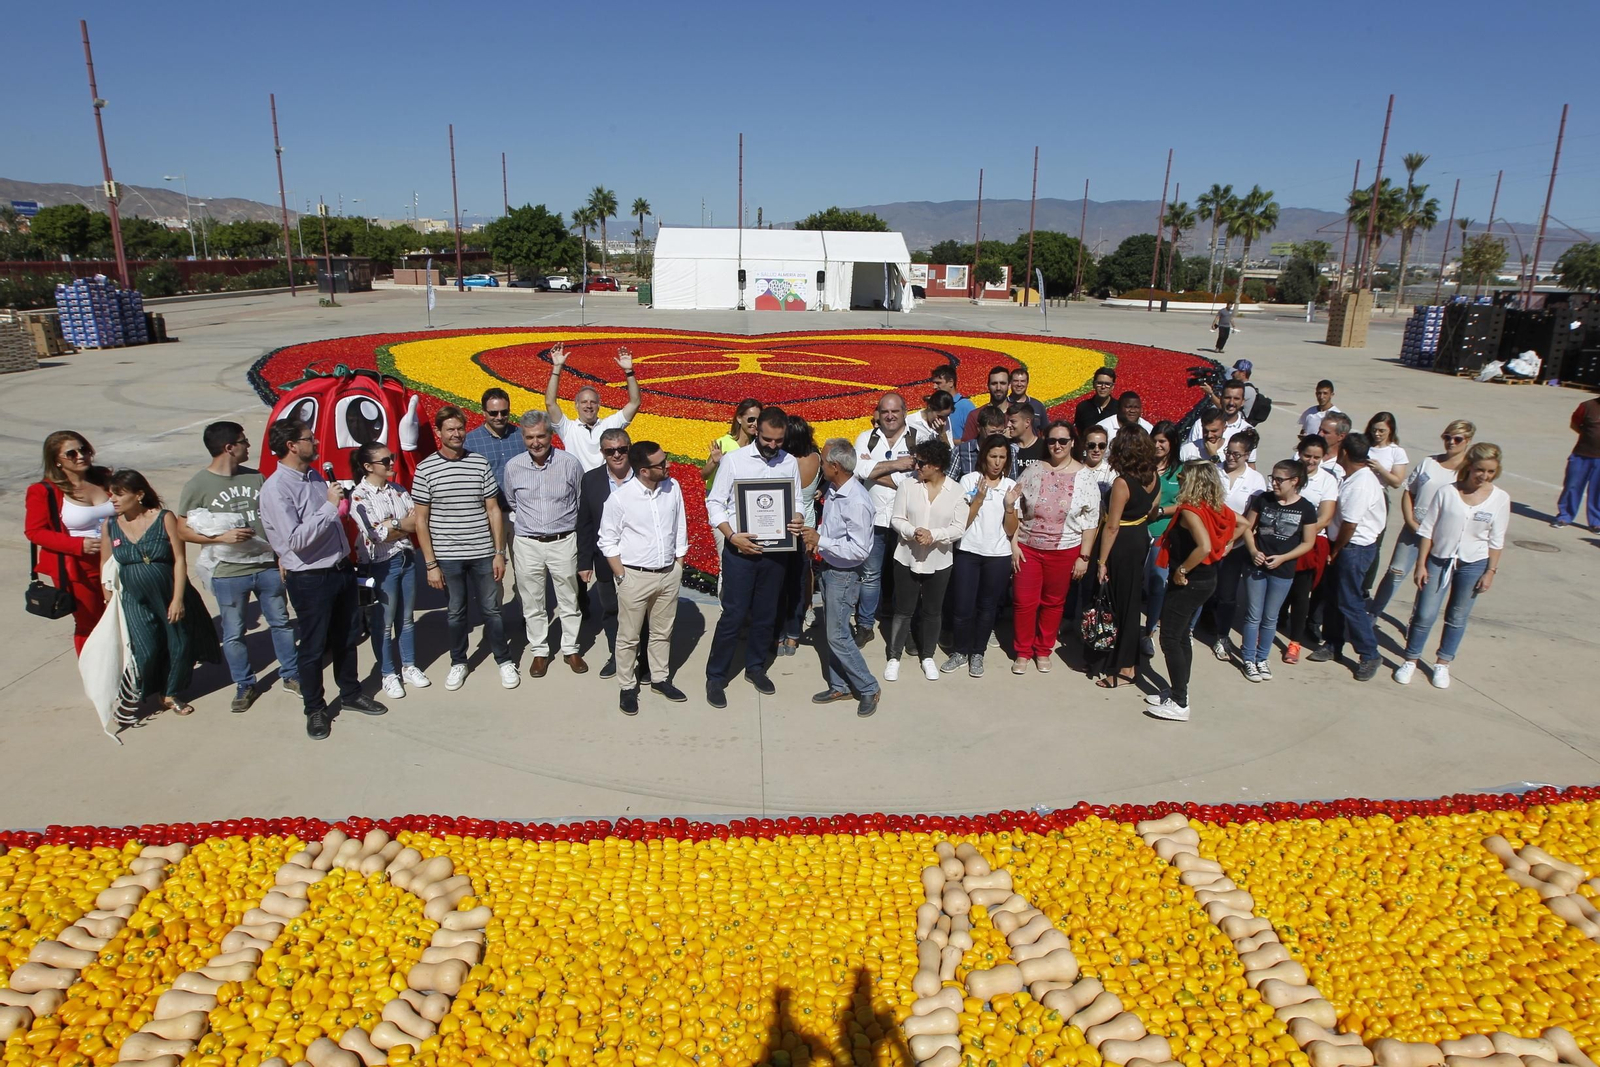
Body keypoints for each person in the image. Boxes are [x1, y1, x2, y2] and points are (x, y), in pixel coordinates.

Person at [259, 418, 388, 739]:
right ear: (292, 446)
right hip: (309, 577)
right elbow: (296, 540)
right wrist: (331, 507)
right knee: (314, 646)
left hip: (339, 569)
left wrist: (340, 507)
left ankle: (350, 693)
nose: (316, 443)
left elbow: (329, 519)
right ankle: (315, 709)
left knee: (347, 637)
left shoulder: (315, 476)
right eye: (310, 439)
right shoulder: (276, 489)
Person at [177, 421, 299, 713]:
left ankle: (291, 674)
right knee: (233, 633)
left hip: (267, 567)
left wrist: (281, 557)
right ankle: (245, 683)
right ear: (229, 448)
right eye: (243, 441)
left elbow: (273, 521)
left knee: (281, 623)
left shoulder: (256, 478)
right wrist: (221, 537)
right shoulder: (198, 485)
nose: (248, 446)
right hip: (228, 574)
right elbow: (182, 530)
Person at [97, 470, 220, 724]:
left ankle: (170, 692)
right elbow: (105, 562)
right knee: (146, 647)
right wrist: (108, 597)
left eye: (119, 494)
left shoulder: (164, 518)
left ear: (139, 494)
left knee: (179, 643)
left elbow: (179, 559)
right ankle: (142, 691)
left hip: (169, 591)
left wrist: (177, 599)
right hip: (133, 597)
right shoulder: (110, 525)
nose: (113, 499)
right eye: (111, 494)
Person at [704, 406, 806, 707]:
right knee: (733, 615)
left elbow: (796, 498)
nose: (773, 446)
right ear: (756, 430)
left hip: (776, 552)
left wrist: (797, 517)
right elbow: (715, 503)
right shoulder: (735, 461)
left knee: (766, 613)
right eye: (767, 439)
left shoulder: (788, 462)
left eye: (779, 440)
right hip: (740, 550)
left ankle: (756, 667)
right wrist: (732, 536)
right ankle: (717, 675)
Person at [412, 405, 517, 692]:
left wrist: (498, 552)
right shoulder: (426, 469)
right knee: (456, 611)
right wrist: (431, 564)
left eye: (459, 428)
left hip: (483, 551)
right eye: (450, 429)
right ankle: (459, 661)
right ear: (439, 432)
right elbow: (420, 520)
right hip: (447, 556)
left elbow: (494, 510)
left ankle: (503, 660)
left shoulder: (478, 463)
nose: (456, 434)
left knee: (492, 609)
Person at [1394, 443, 1509, 689]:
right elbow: (1428, 529)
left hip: (1473, 564)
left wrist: (1490, 571)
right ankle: (1410, 660)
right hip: (1438, 559)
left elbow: (1496, 540)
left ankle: (1442, 663)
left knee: (1457, 617)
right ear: (1469, 467)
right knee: (1425, 614)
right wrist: (1421, 564)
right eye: (1480, 470)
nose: (1484, 476)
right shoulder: (1447, 492)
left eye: (1490, 472)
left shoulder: (1500, 498)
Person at [598, 440, 689, 715]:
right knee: (629, 636)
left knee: (663, 631)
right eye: (661, 463)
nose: (668, 465)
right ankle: (627, 686)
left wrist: (678, 566)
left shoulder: (672, 488)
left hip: (668, 574)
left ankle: (660, 678)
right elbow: (607, 540)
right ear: (644, 471)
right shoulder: (620, 499)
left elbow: (680, 527)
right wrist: (622, 576)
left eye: (666, 459)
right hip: (635, 577)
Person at [1008, 421, 1101, 674]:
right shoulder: (1033, 470)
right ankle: (1023, 651)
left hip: (1065, 550)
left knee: (1053, 602)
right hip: (1028, 548)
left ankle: (1043, 649)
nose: (1057, 446)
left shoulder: (1085, 477)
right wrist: (1014, 543)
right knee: (1024, 601)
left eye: (1063, 440)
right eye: (1052, 441)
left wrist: (1084, 556)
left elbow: (1091, 521)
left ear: (1073, 442)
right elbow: (1014, 507)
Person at [1145, 462, 1235, 722]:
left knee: (1170, 638)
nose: (1180, 481)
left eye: (1183, 478)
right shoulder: (1215, 507)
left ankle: (1179, 703)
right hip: (1207, 580)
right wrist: (1227, 546)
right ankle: (1176, 691)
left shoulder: (1190, 511)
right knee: (1183, 636)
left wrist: (1182, 570)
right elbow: (1239, 524)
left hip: (1189, 582)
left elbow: (1204, 547)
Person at [502, 409, 587, 678]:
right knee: (532, 600)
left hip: (563, 540)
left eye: (541, 436)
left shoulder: (569, 463)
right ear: (523, 438)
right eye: (529, 438)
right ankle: (540, 651)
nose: (536, 442)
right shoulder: (514, 466)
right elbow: (513, 502)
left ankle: (570, 648)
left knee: (569, 598)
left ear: (551, 435)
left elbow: (579, 501)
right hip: (527, 542)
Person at [803, 439, 881, 717]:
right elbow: (834, 530)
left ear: (835, 466)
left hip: (844, 575)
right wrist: (819, 541)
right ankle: (840, 685)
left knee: (837, 636)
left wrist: (820, 540)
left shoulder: (857, 501)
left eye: (823, 462)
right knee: (834, 632)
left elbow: (860, 550)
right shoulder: (836, 491)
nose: (820, 466)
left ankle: (868, 686)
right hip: (830, 570)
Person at [348, 441, 427, 700]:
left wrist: (392, 524)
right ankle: (388, 672)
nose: (391, 463)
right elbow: (376, 535)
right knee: (383, 623)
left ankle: (409, 665)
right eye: (385, 461)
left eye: (391, 458)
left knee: (406, 618)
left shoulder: (398, 489)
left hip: (406, 558)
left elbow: (418, 522)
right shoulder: (359, 496)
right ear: (368, 466)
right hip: (381, 565)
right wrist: (398, 525)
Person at [1373, 420, 1475, 618]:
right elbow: (1409, 492)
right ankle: (1372, 614)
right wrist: (1410, 521)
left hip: (1441, 535)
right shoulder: (1429, 462)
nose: (1451, 442)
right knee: (1395, 572)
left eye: (1457, 439)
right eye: (1447, 437)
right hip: (1414, 528)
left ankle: (1416, 620)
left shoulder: (1467, 472)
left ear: (1468, 441)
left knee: (1426, 580)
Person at [883, 438, 965, 682]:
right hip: (906, 556)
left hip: (939, 561)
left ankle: (928, 656)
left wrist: (934, 536)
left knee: (932, 611)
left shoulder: (956, 491)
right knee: (903, 610)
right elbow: (896, 519)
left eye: (921, 463)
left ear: (937, 465)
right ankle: (894, 657)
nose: (916, 467)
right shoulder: (908, 486)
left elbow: (958, 528)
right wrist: (913, 532)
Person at [26, 431, 113, 655]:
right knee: (90, 622)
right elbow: (35, 531)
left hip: (117, 558)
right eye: (71, 453)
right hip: (79, 568)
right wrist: (78, 545)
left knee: (122, 618)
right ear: (57, 460)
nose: (81, 456)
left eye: (84, 449)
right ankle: (97, 679)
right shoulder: (43, 491)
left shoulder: (104, 477)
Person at [1308, 432, 1386, 680]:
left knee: (1350, 602)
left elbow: (1350, 525)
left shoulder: (1361, 484)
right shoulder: (1352, 477)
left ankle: (1369, 653)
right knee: (1333, 598)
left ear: (1344, 453)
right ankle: (1333, 643)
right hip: (1345, 546)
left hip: (1353, 549)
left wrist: (1336, 550)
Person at [942, 435, 1020, 678]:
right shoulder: (968, 481)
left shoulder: (1010, 486)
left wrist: (1009, 506)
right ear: (983, 457)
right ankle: (960, 651)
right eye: (993, 456)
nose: (997, 463)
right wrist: (978, 499)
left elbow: (1010, 529)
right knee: (963, 606)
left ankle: (978, 653)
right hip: (969, 551)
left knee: (987, 607)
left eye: (1002, 458)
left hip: (997, 555)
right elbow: (961, 523)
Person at [1090, 429, 1160, 689]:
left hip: (1121, 544)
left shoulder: (1122, 483)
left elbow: (1112, 526)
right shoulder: (1153, 476)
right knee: (1130, 601)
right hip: (1139, 538)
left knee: (1120, 604)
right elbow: (1153, 509)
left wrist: (1101, 561)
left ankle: (1125, 668)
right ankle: (1123, 660)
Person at [1237, 460, 1318, 681]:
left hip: (1283, 571)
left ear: (1295, 481)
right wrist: (1253, 551)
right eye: (1273, 478)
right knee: (1253, 615)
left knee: (1270, 618)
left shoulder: (1306, 508)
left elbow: (1308, 542)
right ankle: (1248, 659)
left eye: (1279, 480)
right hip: (1256, 567)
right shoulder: (1264, 499)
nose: (1274, 483)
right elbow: (1246, 527)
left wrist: (1283, 558)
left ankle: (1262, 658)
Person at [853, 392, 916, 641]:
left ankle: (905, 629)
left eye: (895, 411)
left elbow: (916, 478)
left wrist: (875, 469)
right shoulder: (865, 439)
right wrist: (898, 465)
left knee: (907, 575)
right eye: (885, 411)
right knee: (870, 575)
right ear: (878, 413)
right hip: (874, 518)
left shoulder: (918, 438)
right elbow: (858, 469)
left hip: (906, 519)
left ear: (904, 412)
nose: (890, 416)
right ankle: (865, 626)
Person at [576, 428, 634, 679]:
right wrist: (584, 561)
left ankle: (639, 657)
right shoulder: (591, 480)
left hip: (638, 558)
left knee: (638, 611)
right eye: (610, 451)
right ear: (602, 453)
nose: (617, 455)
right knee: (611, 609)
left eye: (622, 449)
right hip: (604, 559)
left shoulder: (643, 475)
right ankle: (617, 655)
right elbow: (585, 523)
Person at [1208, 428, 1267, 661]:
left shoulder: (1256, 481)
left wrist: (1232, 542)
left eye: (1236, 455)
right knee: (1204, 588)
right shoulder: (1215, 471)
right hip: (1210, 540)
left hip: (1235, 545)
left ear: (1247, 455)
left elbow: (1252, 519)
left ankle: (1222, 635)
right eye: (1228, 453)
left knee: (1227, 593)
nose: (1230, 458)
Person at [1282, 434, 1340, 664]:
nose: (1311, 461)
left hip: (1310, 544)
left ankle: (1294, 642)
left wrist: (1300, 534)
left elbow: (1325, 518)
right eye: (1307, 455)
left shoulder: (1327, 481)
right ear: (1299, 452)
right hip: (1281, 540)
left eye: (1317, 457)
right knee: (1277, 591)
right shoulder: (1286, 473)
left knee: (1300, 594)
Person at [543, 342, 642, 471]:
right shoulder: (568, 429)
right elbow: (550, 403)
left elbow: (635, 403)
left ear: (599, 405)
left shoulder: (610, 425)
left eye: (593, 402)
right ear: (576, 405)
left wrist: (629, 372)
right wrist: (557, 367)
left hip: (606, 485)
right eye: (584, 402)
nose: (588, 406)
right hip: (580, 486)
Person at [779, 414, 822, 657]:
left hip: (785, 523)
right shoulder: (816, 457)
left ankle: (781, 631)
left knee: (782, 580)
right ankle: (795, 632)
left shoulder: (785, 462)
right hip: (807, 522)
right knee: (803, 574)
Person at [1141, 421, 1184, 659]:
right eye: (1154, 440)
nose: (1157, 446)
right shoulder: (1143, 466)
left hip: (1163, 533)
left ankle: (1149, 633)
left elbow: (1185, 502)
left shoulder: (1180, 471)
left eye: (1162, 442)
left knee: (1157, 583)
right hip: (1139, 530)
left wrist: (1161, 512)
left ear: (1172, 444)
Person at [1360, 412, 1410, 596]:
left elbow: (1397, 482)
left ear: (1390, 431)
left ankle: (1365, 584)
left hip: (1379, 496)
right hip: (1360, 492)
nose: (1377, 434)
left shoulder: (1396, 451)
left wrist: (1380, 469)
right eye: (1374, 430)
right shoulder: (1365, 445)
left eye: (1382, 431)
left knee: (1374, 540)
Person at [463, 387, 524, 505]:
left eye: (504, 412)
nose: (499, 417)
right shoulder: (470, 441)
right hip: (487, 511)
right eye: (493, 413)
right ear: (483, 412)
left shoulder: (522, 436)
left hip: (520, 510)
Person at [1554, 395, 1600, 533]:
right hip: (1582, 455)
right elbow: (1574, 424)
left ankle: (1596, 522)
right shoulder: (1587, 406)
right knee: (1572, 486)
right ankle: (1564, 516)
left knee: (1598, 491)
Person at [1188, 381, 1255, 462]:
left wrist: (1214, 455)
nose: (1231, 403)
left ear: (1243, 402)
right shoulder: (1200, 424)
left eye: (1236, 398)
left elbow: (1250, 465)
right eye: (1227, 398)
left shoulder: (1247, 430)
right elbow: (1190, 452)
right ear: (1220, 398)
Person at [704, 398, 762, 490]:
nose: (755, 424)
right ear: (739, 419)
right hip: (721, 500)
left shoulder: (758, 446)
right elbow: (704, 475)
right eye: (751, 419)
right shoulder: (723, 443)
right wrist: (714, 463)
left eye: (758, 420)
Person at [951, 405, 1016, 481]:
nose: (996, 436)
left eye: (1000, 432)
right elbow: (948, 484)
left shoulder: (1010, 452)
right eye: (992, 432)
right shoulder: (961, 451)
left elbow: (1012, 483)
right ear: (979, 428)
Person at [962, 366, 1015, 440]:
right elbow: (967, 447)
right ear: (988, 386)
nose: (998, 388)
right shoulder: (975, 415)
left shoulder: (1018, 414)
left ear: (1009, 385)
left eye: (1002, 383)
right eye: (994, 383)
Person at [931, 364, 975, 446]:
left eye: (938, 383)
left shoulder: (965, 406)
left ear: (951, 382)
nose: (934, 387)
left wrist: (946, 441)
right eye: (934, 383)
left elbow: (974, 440)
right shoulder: (934, 405)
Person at [906, 390, 957, 454]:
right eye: (939, 416)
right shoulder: (910, 421)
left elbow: (951, 452)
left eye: (947, 416)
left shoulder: (946, 421)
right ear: (929, 407)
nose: (944, 421)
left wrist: (942, 434)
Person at [1074, 367, 1119, 438]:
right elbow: (1080, 434)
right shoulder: (1083, 407)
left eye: (1107, 384)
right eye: (1099, 383)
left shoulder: (1119, 408)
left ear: (1112, 386)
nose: (1103, 387)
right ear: (1094, 384)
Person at [1007, 366, 1048, 437]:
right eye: (1016, 381)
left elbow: (1045, 431)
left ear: (1027, 383)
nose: (1019, 384)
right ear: (1010, 383)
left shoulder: (1038, 405)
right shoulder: (1004, 403)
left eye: (1022, 381)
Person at [1317, 412, 1351, 479]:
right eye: (1320, 430)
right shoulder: (1304, 454)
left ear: (1341, 436)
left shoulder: (1346, 464)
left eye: (1325, 432)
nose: (1320, 434)